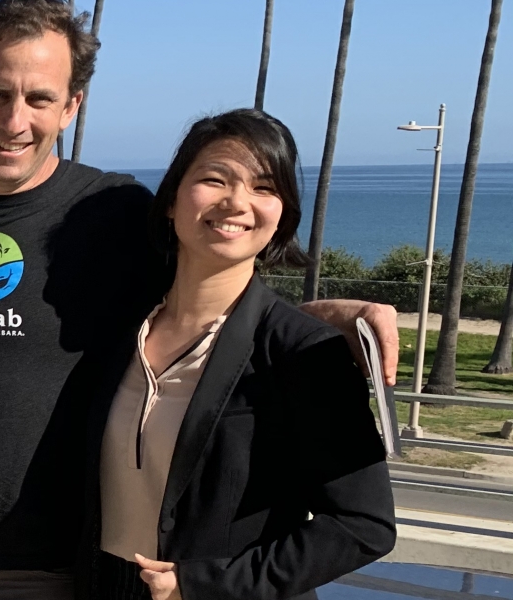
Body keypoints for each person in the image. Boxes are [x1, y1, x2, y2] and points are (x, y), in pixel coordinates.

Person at [0, 2, 397, 597]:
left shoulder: (114, 214)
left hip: (54, 569)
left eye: (39, 99)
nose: (14, 119)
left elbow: (221, 293)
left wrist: (329, 316)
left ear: (70, 106)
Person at [83, 109, 395, 600]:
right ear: (171, 201)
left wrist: (203, 584)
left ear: (283, 215)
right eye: (214, 179)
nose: (236, 202)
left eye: (264, 187)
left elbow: (364, 525)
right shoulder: (112, 332)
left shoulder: (303, 352)